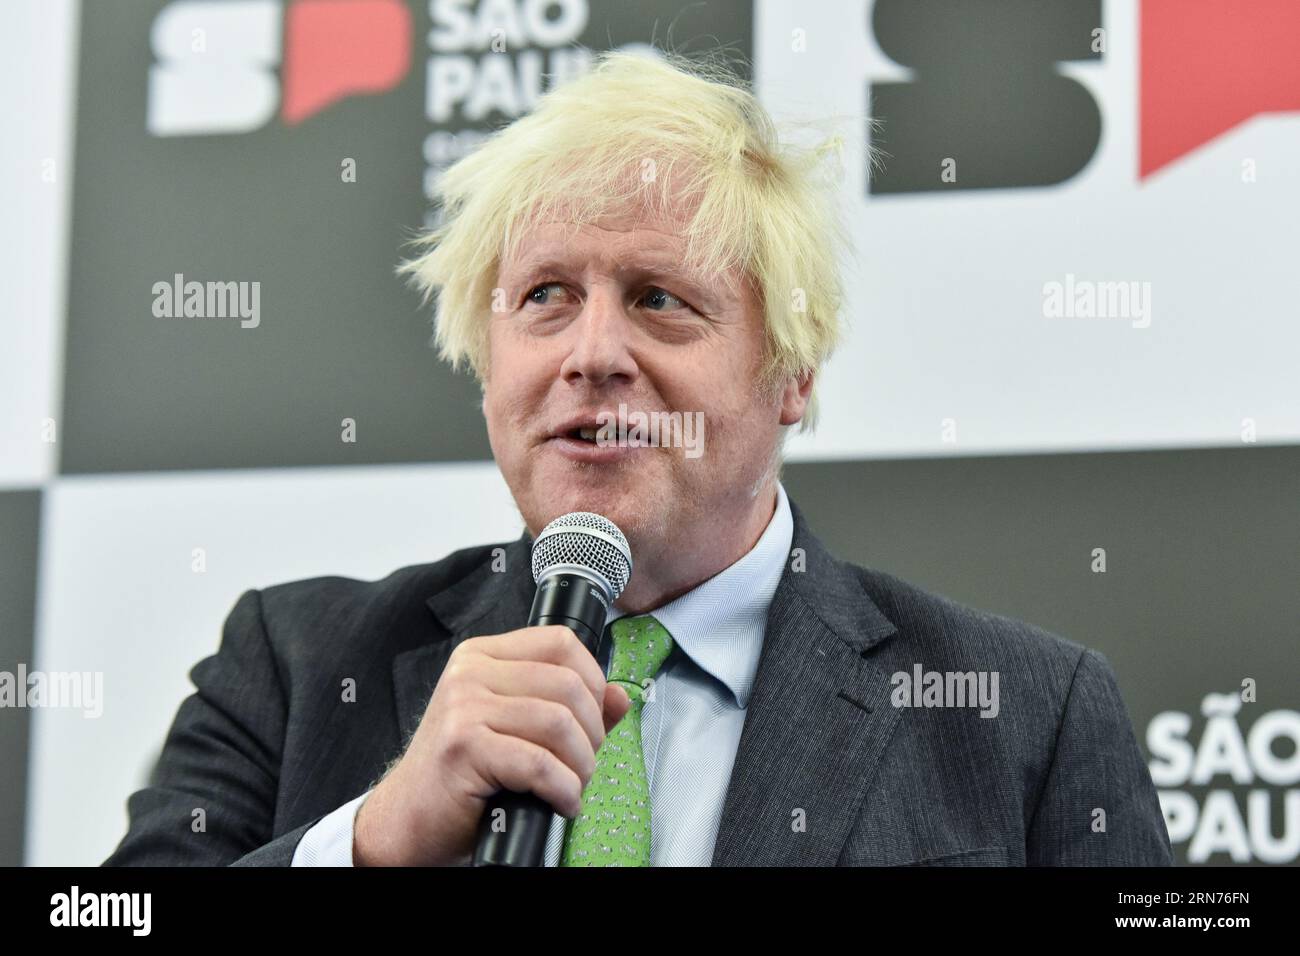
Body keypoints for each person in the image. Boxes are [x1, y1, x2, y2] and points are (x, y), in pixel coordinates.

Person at [105, 51, 1172, 867]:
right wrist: (371, 843)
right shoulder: (293, 664)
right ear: (487, 368)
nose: (593, 354)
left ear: (792, 374)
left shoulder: (1026, 711)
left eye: (660, 299)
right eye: (545, 298)